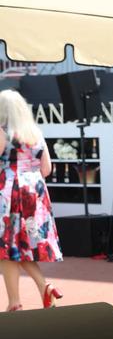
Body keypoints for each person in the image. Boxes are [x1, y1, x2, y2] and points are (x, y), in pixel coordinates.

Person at [0, 89, 63, 311]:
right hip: (35, 194)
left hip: (8, 193)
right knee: (21, 246)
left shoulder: (2, 132)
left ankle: (14, 302)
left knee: (6, 246)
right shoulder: (35, 133)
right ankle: (44, 287)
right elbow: (46, 169)